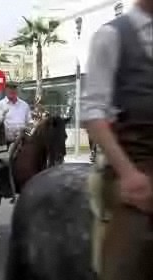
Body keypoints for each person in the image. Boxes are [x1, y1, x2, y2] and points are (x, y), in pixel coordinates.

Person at [81, 1, 153, 279]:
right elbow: (93, 111)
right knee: (125, 262)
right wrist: (128, 174)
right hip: (134, 165)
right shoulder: (111, 36)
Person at [0, 81, 32, 146]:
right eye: (9, 88)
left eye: (14, 88)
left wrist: (27, 128)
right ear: (5, 90)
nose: (12, 91)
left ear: (17, 90)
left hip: (22, 143)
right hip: (4, 144)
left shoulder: (24, 105)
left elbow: (30, 123)